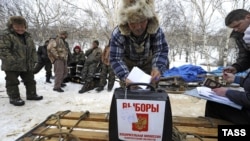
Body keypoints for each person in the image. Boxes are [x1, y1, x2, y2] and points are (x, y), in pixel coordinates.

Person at [205, 9, 250, 124]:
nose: (236, 30)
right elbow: (245, 57)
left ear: (248, 17)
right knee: (213, 103)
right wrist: (236, 77)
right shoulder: (243, 35)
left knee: (215, 106)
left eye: (237, 25)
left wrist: (226, 92)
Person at [110, 0, 169, 88]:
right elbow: (116, 58)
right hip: (127, 67)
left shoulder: (156, 30)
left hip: (149, 64)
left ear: (148, 19)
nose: (138, 27)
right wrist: (125, 77)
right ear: (126, 21)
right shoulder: (118, 33)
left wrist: (157, 68)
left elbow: (160, 50)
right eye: (133, 23)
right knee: (129, 91)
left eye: (142, 21)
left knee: (151, 90)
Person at [0, 16, 43, 106]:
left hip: (27, 63)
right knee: (12, 82)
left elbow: (32, 49)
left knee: (30, 80)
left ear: (25, 26)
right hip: (11, 65)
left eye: (22, 26)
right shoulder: (5, 35)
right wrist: (13, 60)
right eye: (17, 26)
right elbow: (3, 50)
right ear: (12, 26)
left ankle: (31, 94)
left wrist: (34, 59)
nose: (20, 29)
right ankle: (14, 98)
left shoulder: (28, 35)